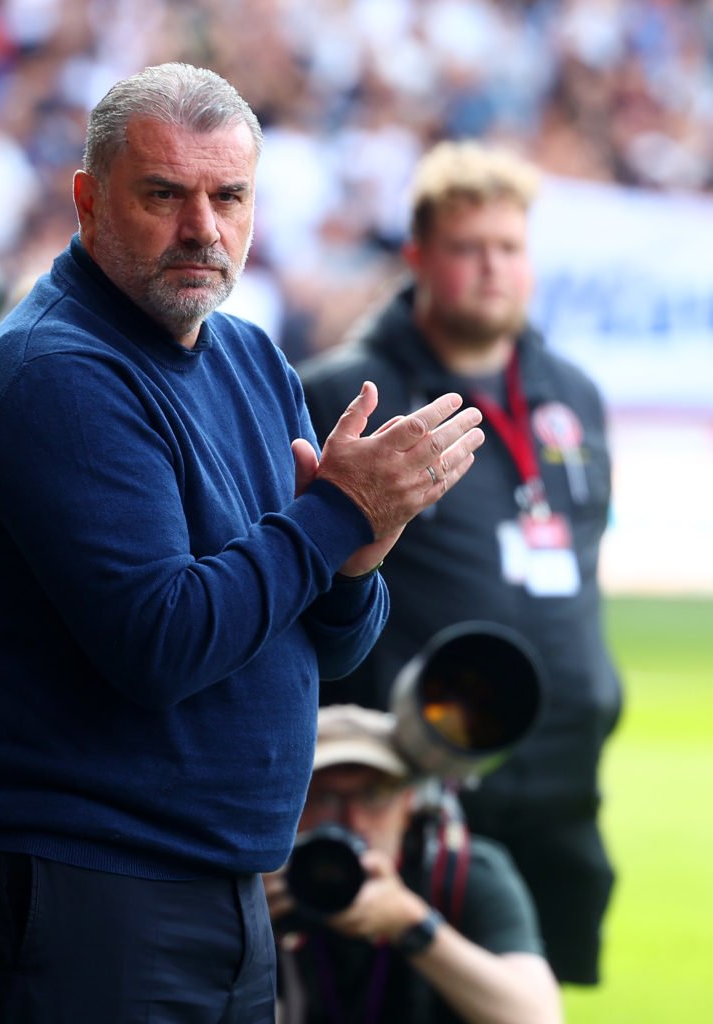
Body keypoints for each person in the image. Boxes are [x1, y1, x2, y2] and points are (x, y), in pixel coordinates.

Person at [0, 62, 486, 1023]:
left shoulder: (248, 356)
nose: (203, 229)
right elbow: (162, 642)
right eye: (163, 195)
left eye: (229, 196)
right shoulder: (57, 371)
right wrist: (339, 515)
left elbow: (333, 646)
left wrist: (359, 552)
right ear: (88, 202)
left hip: (220, 878)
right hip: (76, 878)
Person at [297, 141, 618, 985]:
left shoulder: (572, 394)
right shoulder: (348, 393)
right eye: (468, 248)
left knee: (525, 997)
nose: (492, 269)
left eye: (509, 248)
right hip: (410, 781)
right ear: (418, 259)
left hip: (558, 777)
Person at [267, 704, 562, 1024]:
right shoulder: (263, 885)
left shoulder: (461, 870)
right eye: (325, 797)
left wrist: (412, 924)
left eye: (375, 794)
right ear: (290, 804)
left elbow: (536, 1017)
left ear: (410, 802)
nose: (354, 821)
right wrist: (252, 932)